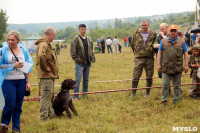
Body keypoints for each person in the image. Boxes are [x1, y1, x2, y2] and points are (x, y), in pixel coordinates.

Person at [0, 31, 33, 132]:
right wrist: (12, 65)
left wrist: (28, 82)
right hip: (8, 81)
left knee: (18, 105)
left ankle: (16, 128)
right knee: (10, 104)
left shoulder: (24, 51)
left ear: (18, 40)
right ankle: (3, 126)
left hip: (21, 81)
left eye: (12, 40)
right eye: (8, 40)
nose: (10, 42)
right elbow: (0, 65)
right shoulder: (2, 50)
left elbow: (28, 66)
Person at [157, 24, 188, 104]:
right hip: (166, 67)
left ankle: (176, 100)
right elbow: (159, 53)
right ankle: (164, 100)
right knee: (165, 84)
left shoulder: (182, 41)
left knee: (177, 85)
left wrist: (186, 65)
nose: (173, 33)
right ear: (169, 31)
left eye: (175, 31)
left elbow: (186, 53)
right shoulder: (163, 41)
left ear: (177, 32)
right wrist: (158, 65)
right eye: (171, 31)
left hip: (177, 67)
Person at [35, 27, 59, 121]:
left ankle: (50, 114)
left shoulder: (45, 44)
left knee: (50, 95)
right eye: (54, 36)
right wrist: (45, 68)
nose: (54, 37)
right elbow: (41, 55)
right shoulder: (43, 44)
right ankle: (44, 117)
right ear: (50, 35)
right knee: (46, 97)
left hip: (49, 76)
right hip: (46, 75)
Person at [130, 20, 157, 98]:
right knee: (136, 76)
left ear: (148, 25)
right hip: (139, 58)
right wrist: (137, 53)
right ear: (141, 25)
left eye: (145, 25)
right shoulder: (136, 33)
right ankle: (133, 93)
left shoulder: (153, 33)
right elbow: (132, 44)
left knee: (149, 76)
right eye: (142, 25)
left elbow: (155, 44)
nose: (144, 27)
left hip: (149, 58)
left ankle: (147, 93)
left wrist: (152, 51)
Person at [70, 24, 95, 100]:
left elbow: (91, 50)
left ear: (86, 29)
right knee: (77, 80)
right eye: (81, 29)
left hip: (88, 63)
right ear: (79, 30)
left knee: (86, 80)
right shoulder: (75, 39)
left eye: (84, 29)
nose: (83, 31)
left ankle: (85, 95)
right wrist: (79, 61)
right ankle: (75, 96)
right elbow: (73, 53)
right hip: (80, 64)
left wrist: (92, 58)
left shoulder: (88, 39)